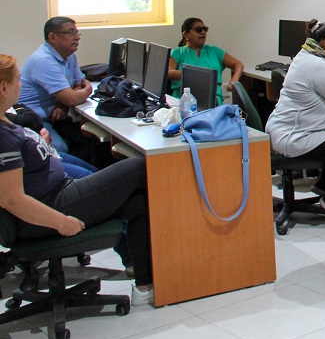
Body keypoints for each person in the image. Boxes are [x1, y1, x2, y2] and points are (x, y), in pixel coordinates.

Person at [0, 54, 155, 306]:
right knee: (137, 167)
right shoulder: (3, 137)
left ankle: (145, 286)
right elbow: (11, 200)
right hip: (52, 206)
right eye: (17, 79)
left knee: (136, 202)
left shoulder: (6, 122)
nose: (21, 84)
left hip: (58, 193)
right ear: (3, 87)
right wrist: (61, 222)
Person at [266, 20, 325, 225]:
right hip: (293, 136)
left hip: (288, 129)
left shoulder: (306, 56)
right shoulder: (317, 65)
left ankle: (324, 186)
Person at [17, 17, 97, 161]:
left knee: (91, 139)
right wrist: (88, 89)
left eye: (77, 32)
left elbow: (78, 83)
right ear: (52, 37)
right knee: (61, 149)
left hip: (54, 116)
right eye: (71, 32)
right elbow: (73, 97)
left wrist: (63, 103)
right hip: (33, 121)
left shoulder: (69, 55)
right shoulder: (44, 60)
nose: (77, 37)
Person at [167, 18, 244, 106]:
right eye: (198, 30)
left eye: (205, 29)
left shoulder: (215, 51)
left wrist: (234, 80)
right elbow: (169, 72)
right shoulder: (178, 53)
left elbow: (238, 64)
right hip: (184, 101)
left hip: (212, 100)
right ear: (186, 34)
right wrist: (194, 74)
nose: (203, 32)